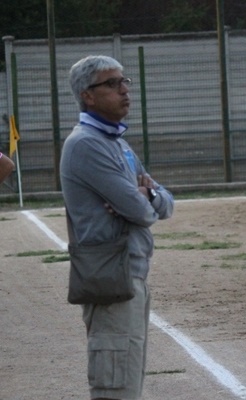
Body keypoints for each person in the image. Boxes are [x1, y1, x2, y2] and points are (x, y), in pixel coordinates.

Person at [60, 55, 174, 400]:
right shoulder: (86, 144)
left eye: (125, 81)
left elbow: (164, 203)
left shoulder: (117, 144)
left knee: (127, 382)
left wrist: (147, 192)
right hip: (110, 281)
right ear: (87, 95)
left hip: (130, 276)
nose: (125, 90)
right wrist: (142, 197)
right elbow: (141, 212)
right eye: (112, 84)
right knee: (115, 388)